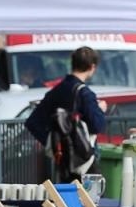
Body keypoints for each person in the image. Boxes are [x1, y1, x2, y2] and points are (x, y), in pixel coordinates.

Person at [25, 46, 108, 183]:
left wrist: (53, 143)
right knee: (92, 200)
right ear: (92, 67)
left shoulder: (57, 91)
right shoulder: (85, 94)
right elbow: (97, 126)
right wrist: (99, 109)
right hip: (84, 158)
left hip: (62, 159)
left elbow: (32, 122)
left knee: (65, 199)